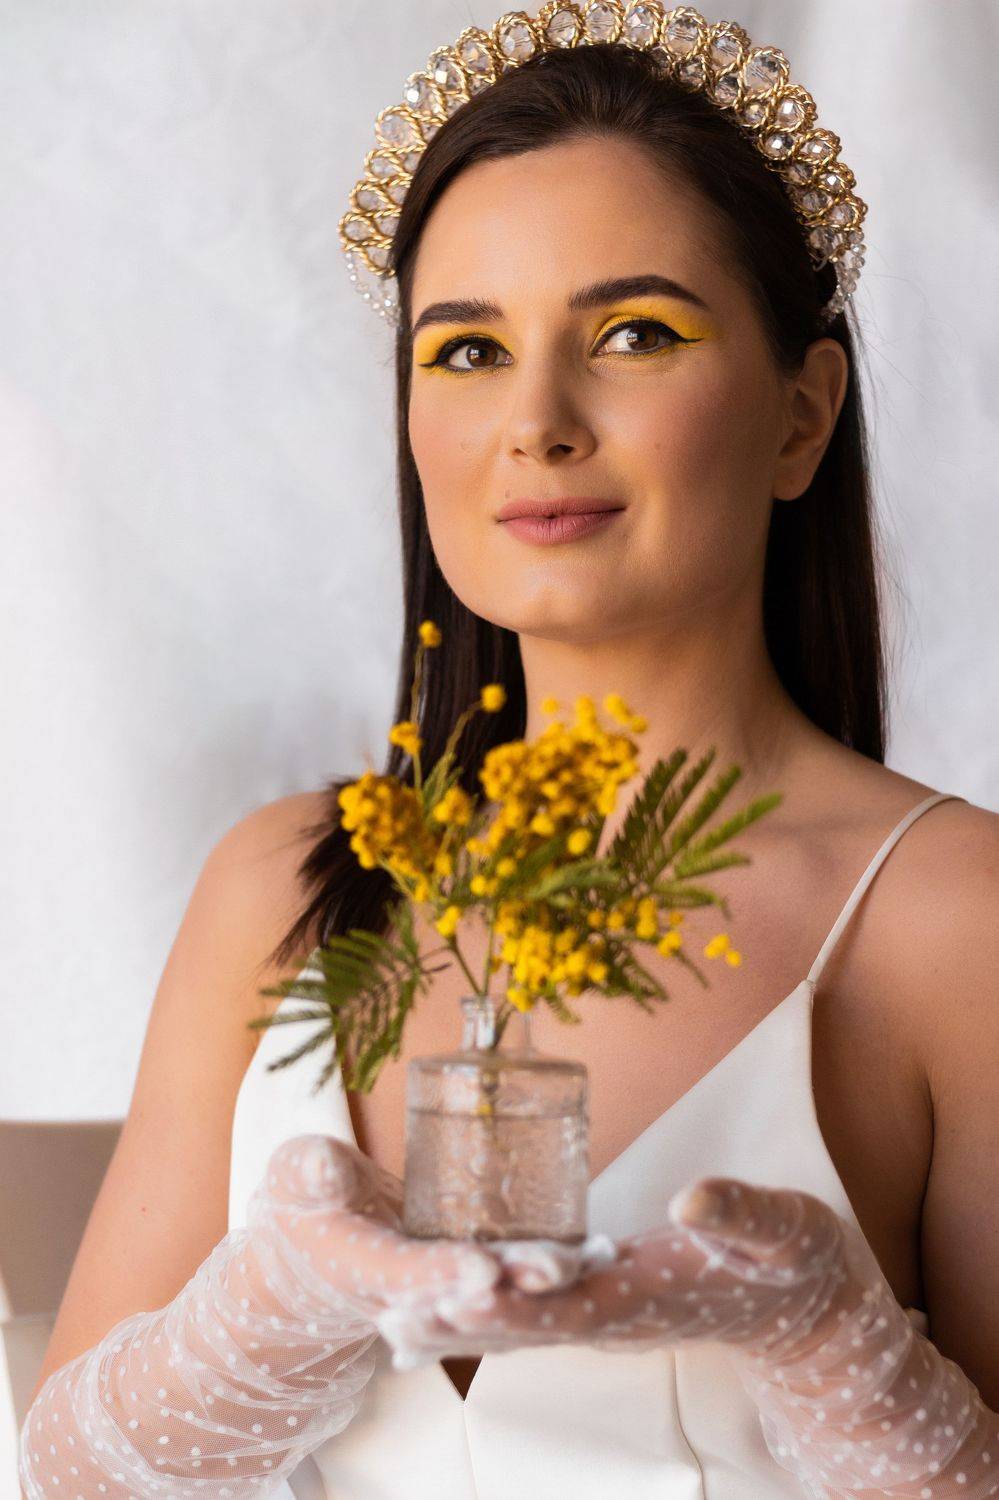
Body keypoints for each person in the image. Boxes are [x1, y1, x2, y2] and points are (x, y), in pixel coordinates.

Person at [20, 8, 998, 1498]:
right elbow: (58, 1481)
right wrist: (273, 1313)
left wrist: (825, 1337)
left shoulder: (956, 919)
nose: (535, 421)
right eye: (468, 350)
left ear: (802, 416)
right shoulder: (283, 888)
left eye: (634, 334)